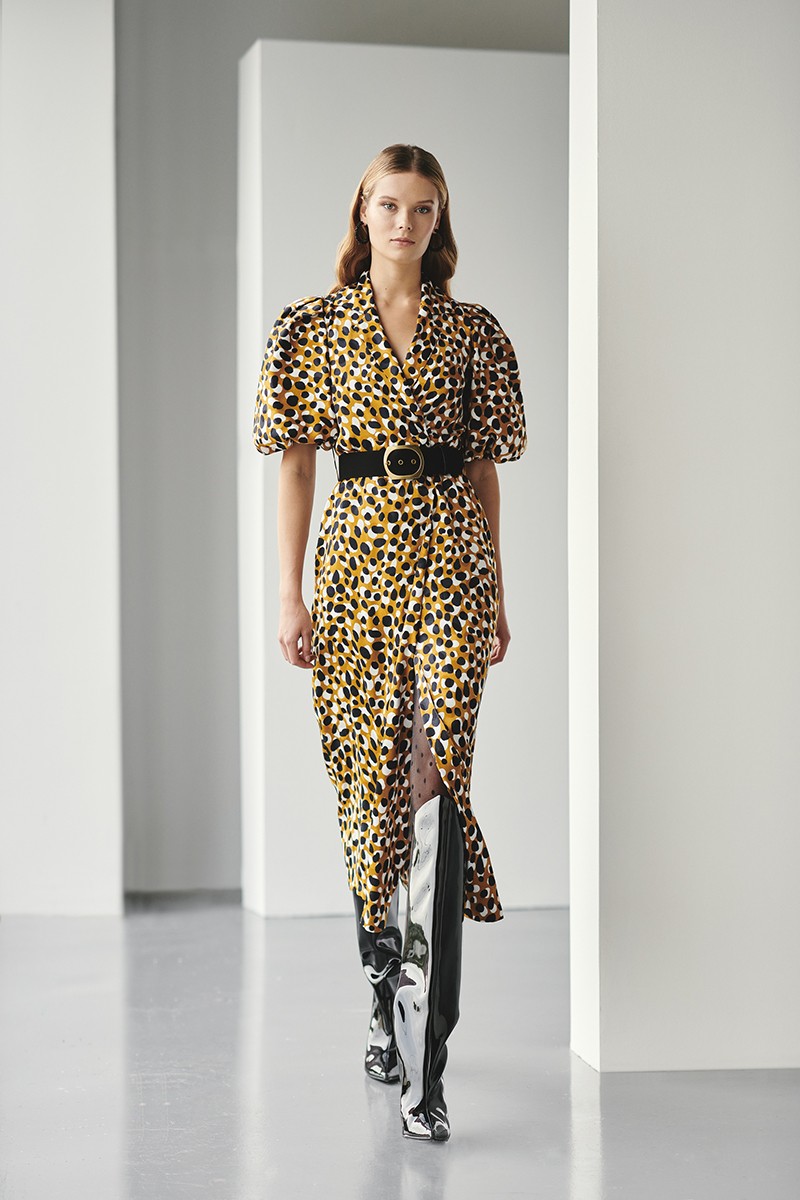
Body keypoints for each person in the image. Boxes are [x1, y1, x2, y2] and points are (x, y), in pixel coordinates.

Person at [253, 144, 526, 1141]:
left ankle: (425, 1060)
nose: (404, 223)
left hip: (451, 562)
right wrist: (289, 595)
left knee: (435, 777)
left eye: (422, 208)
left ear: (439, 220)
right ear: (361, 214)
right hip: (356, 565)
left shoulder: (473, 332)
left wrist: (497, 593)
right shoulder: (310, 329)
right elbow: (294, 468)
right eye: (388, 205)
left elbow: (485, 473)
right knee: (369, 788)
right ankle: (382, 996)